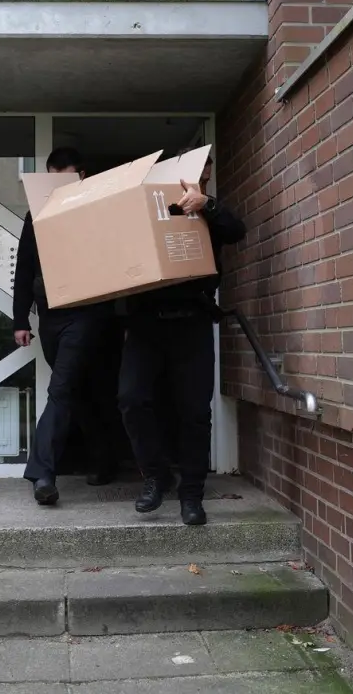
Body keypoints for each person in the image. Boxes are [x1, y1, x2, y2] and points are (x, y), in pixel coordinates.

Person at [117, 150, 245, 526]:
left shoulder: (210, 210)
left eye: (204, 169)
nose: (199, 174)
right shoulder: (145, 209)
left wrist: (207, 205)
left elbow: (237, 230)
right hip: (145, 324)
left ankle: (191, 495)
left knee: (194, 412)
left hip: (192, 323)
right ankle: (157, 476)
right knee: (131, 399)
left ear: (206, 174)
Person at [14, 147, 120, 506]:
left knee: (60, 390)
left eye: (66, 176)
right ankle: (106, 460)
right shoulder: (36, 217)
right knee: (80, 393)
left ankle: (42, 473)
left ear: (82, 175)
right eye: (52, 177)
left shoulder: (99, 211)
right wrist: (19, 320)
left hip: (87, 316)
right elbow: (24, 270)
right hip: (51, 320)